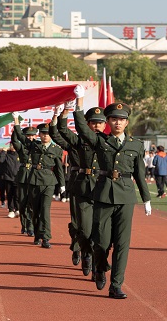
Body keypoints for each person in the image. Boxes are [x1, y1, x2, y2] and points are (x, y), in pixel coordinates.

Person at [73, 85, 151, 299]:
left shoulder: (136, 145)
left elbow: (139, 173)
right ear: (108, 122)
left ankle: (116, 285)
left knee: (123, 244)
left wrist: (146, 198)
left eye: (121, 119)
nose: (117, 122)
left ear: (127, 122)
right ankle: (100, 267)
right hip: (103, 194)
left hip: (126, 196)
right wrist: (79, 104)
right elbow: (82, 128)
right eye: (113, 119)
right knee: (101, 242)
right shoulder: (101, 141)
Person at [54, 102, 106, 279]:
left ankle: (97, 264)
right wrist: (65, 112)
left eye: (100, 122)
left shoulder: (108, 141)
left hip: (103, 189)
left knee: (101, 231)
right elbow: (62, 131)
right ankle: (85, 253)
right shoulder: (79, 141)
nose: (96, 125)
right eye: (93, 122)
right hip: (82, 186)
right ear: (86, 124)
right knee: (82, 228)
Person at [12, 115, 65, 249]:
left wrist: (62, 184)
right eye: (43, 133)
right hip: (34, 180)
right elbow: (20, 136)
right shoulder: (33, 146)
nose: (45, 136)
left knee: (45, 210)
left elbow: (59, 168)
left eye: (48, 133)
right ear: (39, 134)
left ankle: (46, 237)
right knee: (35, 211)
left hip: (48, 182)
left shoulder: (56, 150)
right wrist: (16, 121)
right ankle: (37, 233)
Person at [11, 126, 38, 237]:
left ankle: (30, 226)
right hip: (23, 176)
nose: (30, 137)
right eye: (28, 135)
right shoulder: (21, 147)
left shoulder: (38, 145)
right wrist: (15, 129)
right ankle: (24, 225)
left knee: (32, 203)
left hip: (34, 175)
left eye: (32, 135)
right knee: (23, 203)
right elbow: (14, 141)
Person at [0, 143, 20, 217]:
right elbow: (0, 160)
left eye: (14, 145)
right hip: (8, 177)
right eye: (11, 145)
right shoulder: (6, 154)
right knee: (9, 194)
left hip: (18, 177)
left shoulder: (20, 153)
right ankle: (10, 210)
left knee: (17, 195)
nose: (13, 147)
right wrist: (3, 151)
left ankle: (17, 209)